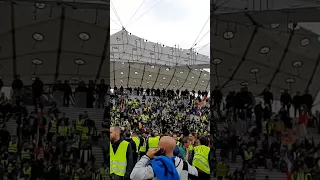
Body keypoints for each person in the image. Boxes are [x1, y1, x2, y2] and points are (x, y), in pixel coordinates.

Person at [130, 136, 198, 180]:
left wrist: (147, 156)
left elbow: (134, 175)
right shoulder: (184, 164)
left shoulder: (156, 165)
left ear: (162, 149)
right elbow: (195, 173)